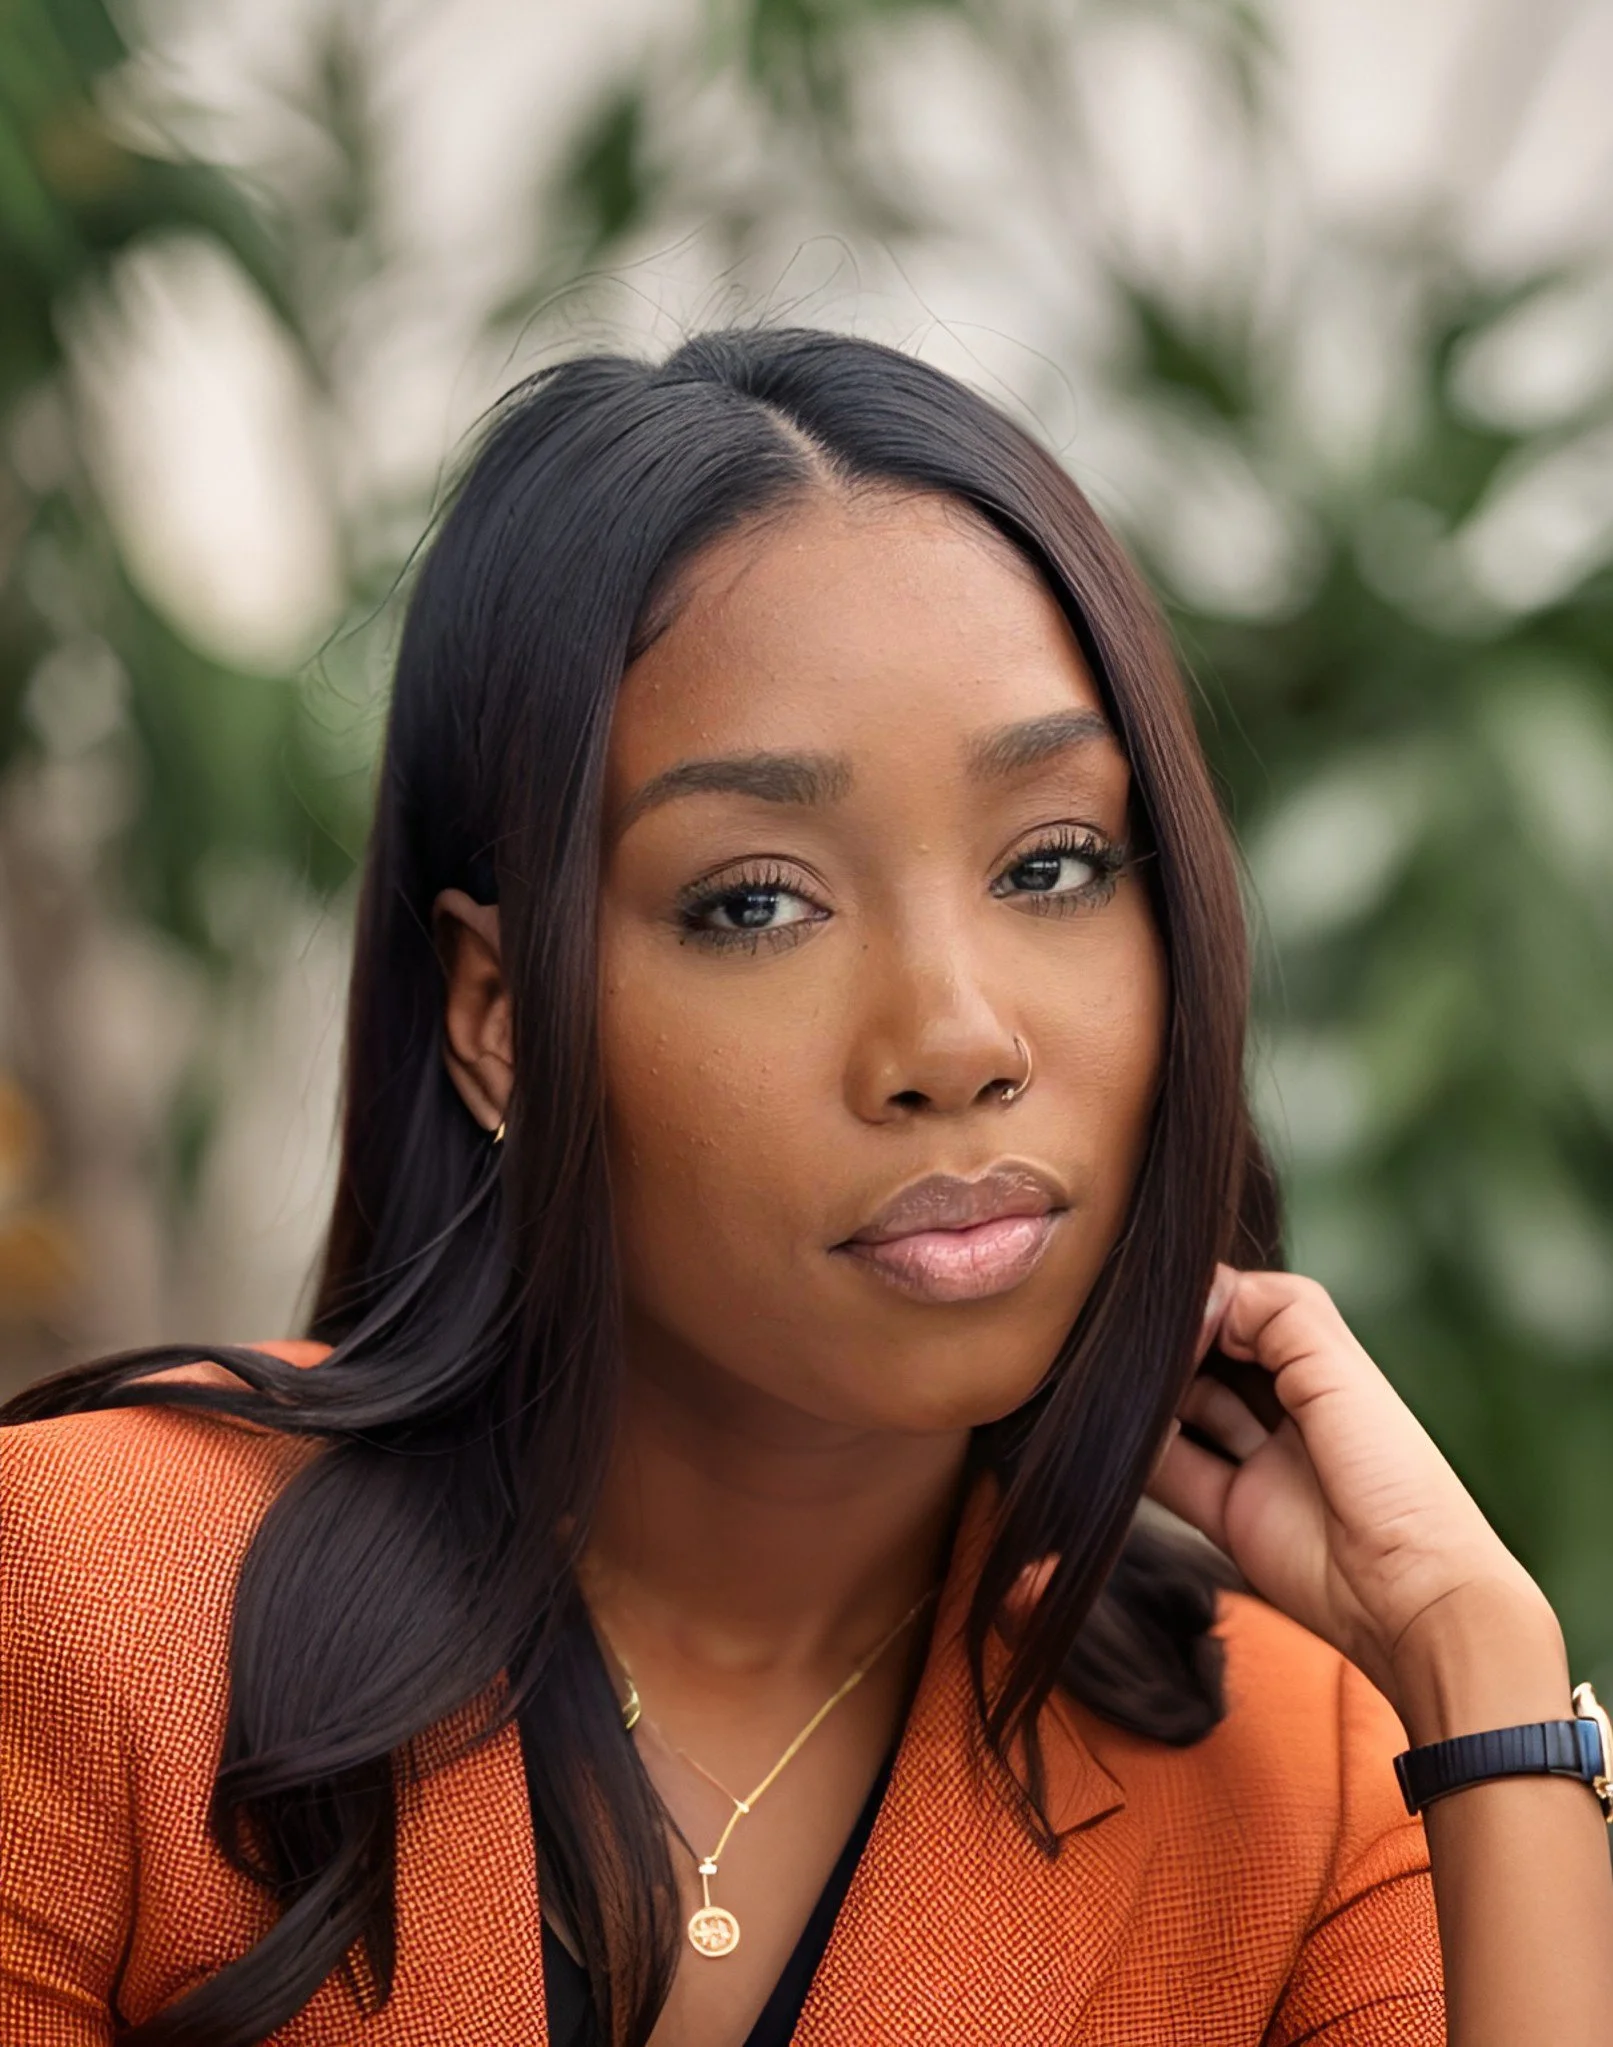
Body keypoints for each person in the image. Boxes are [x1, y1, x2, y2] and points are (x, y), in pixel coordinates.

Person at [2, 328, 1609, 2047]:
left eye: (1053, 862)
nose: (956, 1036)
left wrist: (1486, 1673)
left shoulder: (1306, 1790)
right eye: (756, 901)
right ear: (500, 1022)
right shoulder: (81, 1597)